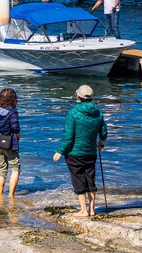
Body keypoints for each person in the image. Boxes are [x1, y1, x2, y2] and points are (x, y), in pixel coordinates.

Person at [53, 85, 107, 217]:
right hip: (91, 153)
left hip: (74, 154)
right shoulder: (98, 113)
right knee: (90, 178)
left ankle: (83, 210)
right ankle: (92, 210)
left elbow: (68, 136)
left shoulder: (73, 113)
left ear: (78, 96)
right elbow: (104, 131)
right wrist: (101, 141)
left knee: (78, 179)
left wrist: (60, 151)